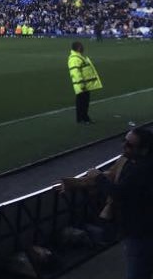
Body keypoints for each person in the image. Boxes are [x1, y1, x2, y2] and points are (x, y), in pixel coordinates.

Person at [73, 128, 153, 278]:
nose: (124, 146)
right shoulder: (137, 162)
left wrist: (98, 177)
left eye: (129, 145)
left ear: (143, 149)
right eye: (124, 141)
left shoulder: (141, 169)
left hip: (140, 231)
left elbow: (120, 192)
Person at [68, 41, 102, 124]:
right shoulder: (75, 58)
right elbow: (75, 73)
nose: (83, 48)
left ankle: (81, 119)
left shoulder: (78, 57)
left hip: (84, 84)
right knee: (83, 103)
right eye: (82, 46)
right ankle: (84, 119)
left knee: (82, 102)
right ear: (79, 47)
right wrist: (81, 84)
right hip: (82, 85)